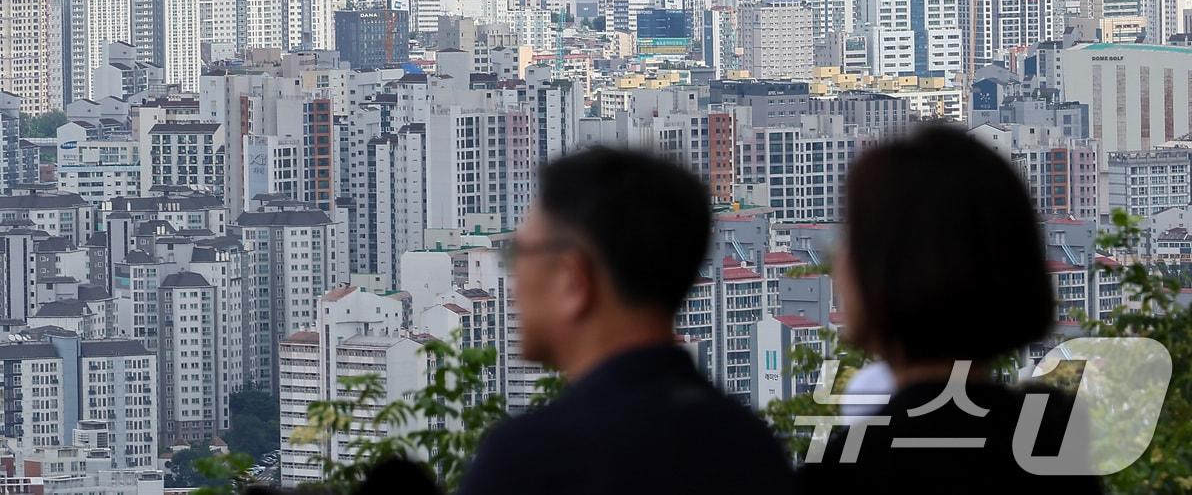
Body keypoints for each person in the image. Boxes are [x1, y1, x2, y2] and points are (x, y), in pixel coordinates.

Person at [458, 146, 795, 495]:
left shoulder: (530, 460)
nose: (514, 280)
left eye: (519, 254)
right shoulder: (752, 447)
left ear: (573, 280)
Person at [801, 125, 1100, 493]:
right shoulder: (1052, 442)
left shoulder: (846, 471)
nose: (838, 261)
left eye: (851, 239)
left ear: (892, 271)